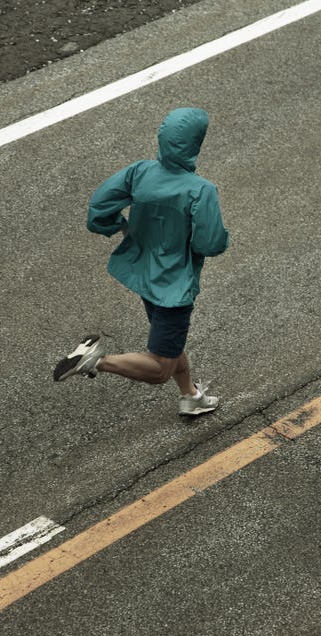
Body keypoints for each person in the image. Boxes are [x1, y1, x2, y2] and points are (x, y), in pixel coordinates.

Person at [53, 107, 229, 416]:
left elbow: (98, 207)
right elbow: (210, 244)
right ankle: (95, 360)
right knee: (160, 367)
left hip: (144, 277)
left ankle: (191, 396)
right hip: (173, 288)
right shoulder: (201, 190)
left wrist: (120, 226)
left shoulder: (140, 171)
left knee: (169, 343)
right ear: (195, 144)